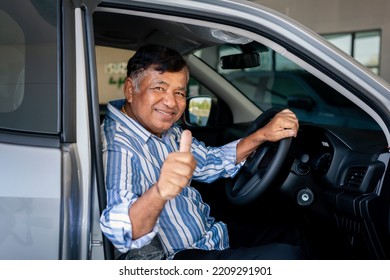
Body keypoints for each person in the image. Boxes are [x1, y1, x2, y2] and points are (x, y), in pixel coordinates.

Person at [100, 44, 303, 260]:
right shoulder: (117, 146)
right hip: (178, 256)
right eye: (159, 88)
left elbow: (208, 162)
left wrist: (262, 135)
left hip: (210, 236)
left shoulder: (166, 130)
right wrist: (160, 191)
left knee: (290, 234)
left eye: (179, 92)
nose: (170, 103)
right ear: (131, 90)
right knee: (286, 258)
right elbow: (122, 232)